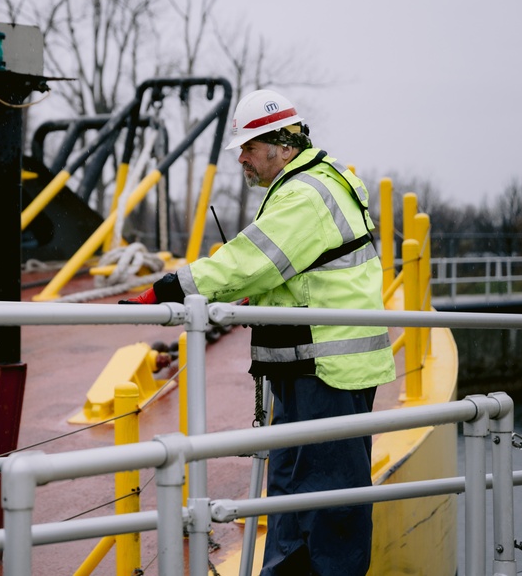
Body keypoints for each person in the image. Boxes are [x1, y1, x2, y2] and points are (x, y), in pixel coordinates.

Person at [121, 89, 396, 575]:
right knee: (292, 494)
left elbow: (251, 259)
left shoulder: (304, 194)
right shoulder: (309, 185)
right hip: (313, 368)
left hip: (327, 371)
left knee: (328, 504)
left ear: (283, 145)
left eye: (249, 147)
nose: (242, 158)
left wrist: (171, 287)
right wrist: (256, 297)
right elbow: (297, 273)